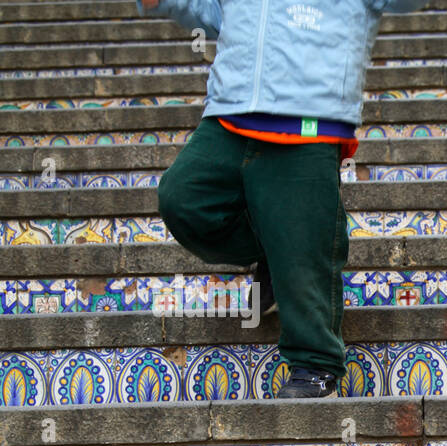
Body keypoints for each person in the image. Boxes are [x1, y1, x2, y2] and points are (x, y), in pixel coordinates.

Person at [138, 0, 429, 397]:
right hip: (230, 111)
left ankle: (316, 363)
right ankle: (276, 252)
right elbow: (214, 13)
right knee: (183, 198)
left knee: (302, 239)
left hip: (310, 116)